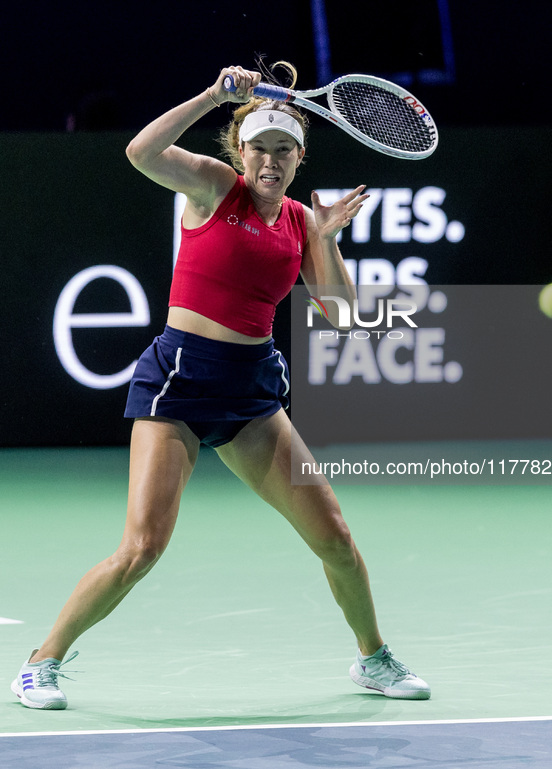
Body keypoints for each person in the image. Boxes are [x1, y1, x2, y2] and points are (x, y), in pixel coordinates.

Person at [11, 63, 430, 710]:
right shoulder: (211, 188)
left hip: (251, 393)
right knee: (142, 547)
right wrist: (211, 95)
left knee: (334, 537)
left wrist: (326, 236)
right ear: (240, 150)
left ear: (298, 157)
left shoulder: (298, 221)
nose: (269, 159)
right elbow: (139, 151)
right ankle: (41, 661)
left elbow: (342, 317)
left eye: (283, 149)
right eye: (258, 147)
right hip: (179, 382)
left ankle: (372, 656)